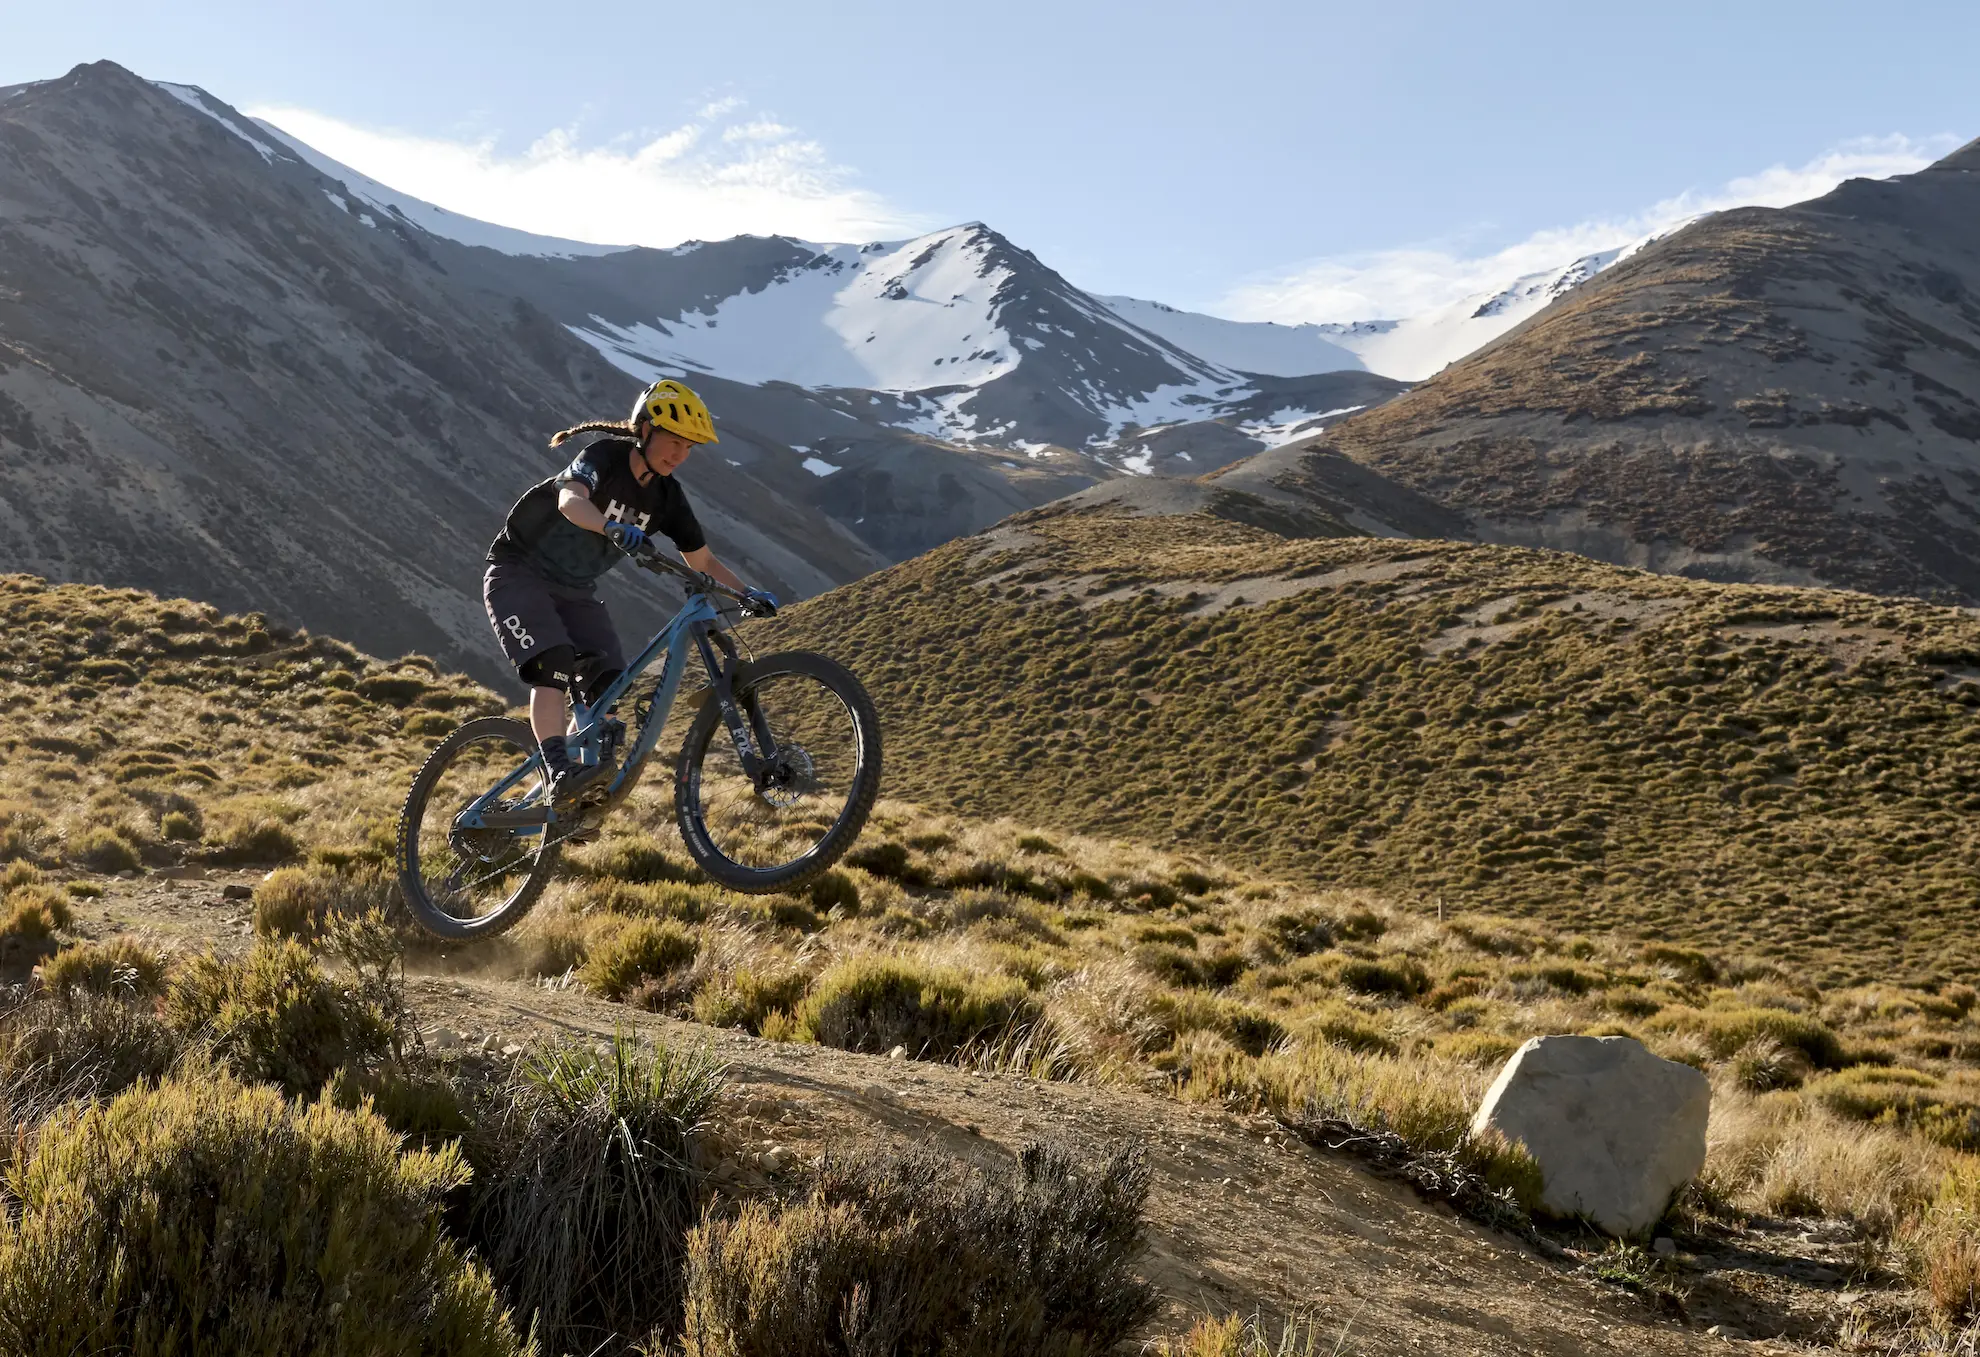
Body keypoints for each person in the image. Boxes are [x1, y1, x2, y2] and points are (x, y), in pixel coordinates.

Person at [483, 378, 778, 802]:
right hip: (518, 572)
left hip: (575, 591)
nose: (679, 455)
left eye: (688, 448)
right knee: (554, 666)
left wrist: (746, 592)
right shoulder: (604, 456)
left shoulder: (667, 498)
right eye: (674, 442)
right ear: (644, 431)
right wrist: (609, 526)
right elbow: (569, 500)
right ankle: (558, 773)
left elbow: (703, 561)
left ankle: (562, 797)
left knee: (608, 689)